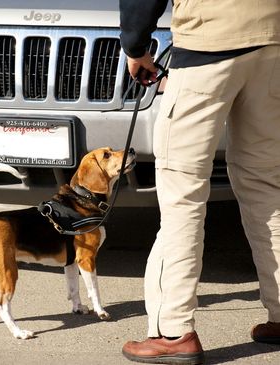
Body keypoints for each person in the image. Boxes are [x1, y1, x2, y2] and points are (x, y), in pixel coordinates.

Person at [119, 0, 280, 364]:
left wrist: (136, 46)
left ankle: (171, 331)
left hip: (208, 43)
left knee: (182, 191)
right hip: (272, 40)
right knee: (267, 187)